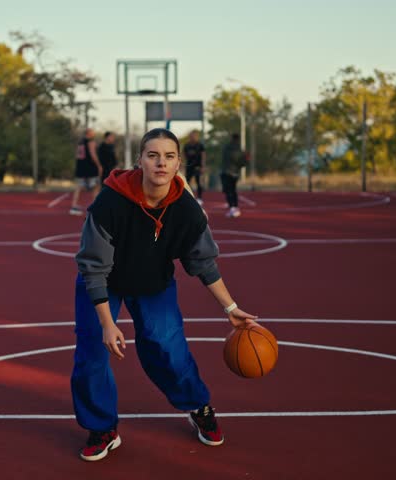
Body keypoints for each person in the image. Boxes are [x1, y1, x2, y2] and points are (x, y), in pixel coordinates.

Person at [72, 128, 258, 462]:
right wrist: (106, 324)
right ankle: (102, 427)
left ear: (178, 164)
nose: (161, 163)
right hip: (103, 284)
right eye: (153, 155)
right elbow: (94, 267)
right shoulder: (110, 202)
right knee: (91, 353)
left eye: (169, 156)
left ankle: (197, 404)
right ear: (140, 160)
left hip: (152, 283)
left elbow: (201, 261)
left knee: (167, 348)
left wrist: (230, 307)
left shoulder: (186, 210)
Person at [70, 128, 103, 216]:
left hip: (81, 167)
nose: (94, 133)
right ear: (89, 133)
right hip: (90, 168)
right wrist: (99, 165)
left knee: (79, 187)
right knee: (96, 186)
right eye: (92, 132)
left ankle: (73, 206)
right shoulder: (90, 142)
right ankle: (95, 207)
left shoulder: (80, 142)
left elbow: (78, 155)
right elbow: (93, 154)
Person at [220, 133, 246, 218]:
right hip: (235, 173)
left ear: (232, 138)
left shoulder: (227, 148)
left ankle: (232, 208)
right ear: (238, 139)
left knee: (228, 191)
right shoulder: (240, 150)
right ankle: (235, 208)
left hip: (227, 172)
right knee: (233, 190)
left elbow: (224, 160)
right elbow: (243, 163)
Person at [182, 130, 206, 204]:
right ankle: (188, 197)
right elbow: (183, 154)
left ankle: (199, 198)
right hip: (189, 166)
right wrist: (183, 164)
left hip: (197, 166)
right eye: (191, 136)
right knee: (187, 182)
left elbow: (203, 155)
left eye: (194, 136)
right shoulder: (187, 145)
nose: (193, 137)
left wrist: (203, 166)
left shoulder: (200, 145)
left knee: (198, 182)